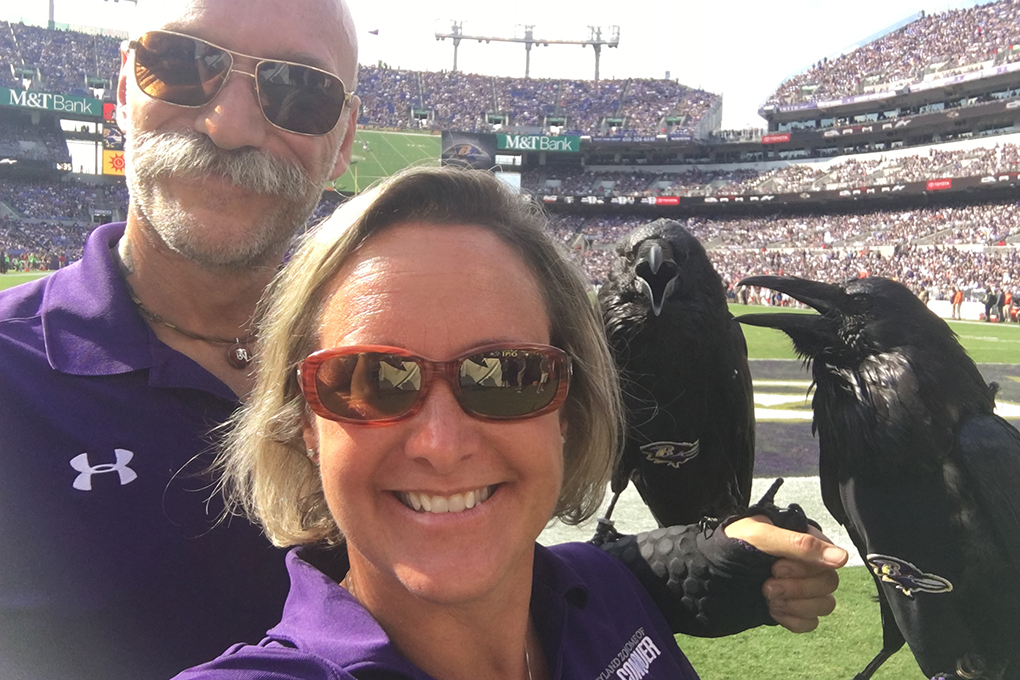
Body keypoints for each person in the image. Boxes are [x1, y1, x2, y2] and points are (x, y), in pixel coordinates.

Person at [175, 166, 846, 680]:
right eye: (372, 378)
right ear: (303, 425)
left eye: (508, 374)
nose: (442, 444)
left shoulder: (612, 598)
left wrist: (729, 551)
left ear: (569, 412)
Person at [0, 0, 360, 678]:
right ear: (123, 93)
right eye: (180, 64)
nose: (229, 126)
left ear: (342, 143)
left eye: (298, 90)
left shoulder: (398, 365)